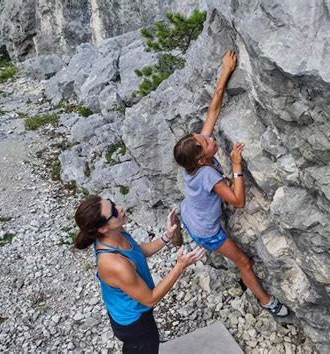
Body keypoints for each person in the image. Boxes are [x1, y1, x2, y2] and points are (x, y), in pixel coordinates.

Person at [173, 50, 289, 317]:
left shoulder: (193, 159)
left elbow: (214, 106)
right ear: (202, 159)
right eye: (208, 143)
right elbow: (238, 201)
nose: (210, 138)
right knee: (244, 262)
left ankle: (185, 235)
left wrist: (225, 70)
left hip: (190, 211)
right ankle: (267, 302)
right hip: (205, 230)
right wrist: (236, 164)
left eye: (204, 137)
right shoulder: (209, 176)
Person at [74, 195, 206, 354]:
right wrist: (180, 266)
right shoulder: (114, 264)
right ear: (102, 228)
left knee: (139, 347)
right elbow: (150, 299)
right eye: (114, 212)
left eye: (113, 204)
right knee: (146, 345)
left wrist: (167, 236)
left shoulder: (116, 232)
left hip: (130, 313)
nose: (120, 208)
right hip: (134, 323)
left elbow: (138, 251)